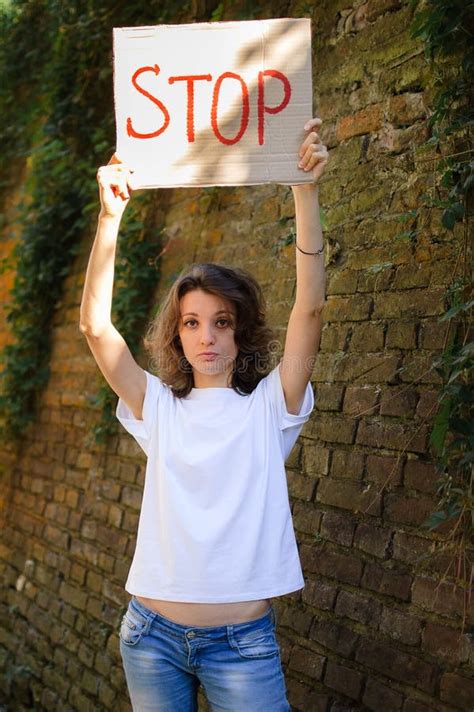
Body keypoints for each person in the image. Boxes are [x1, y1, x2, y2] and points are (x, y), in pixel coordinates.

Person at [80, 117, 328, 711]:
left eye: (221, 321)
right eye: (192, 322)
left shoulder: (273, 405)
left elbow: (311, 309)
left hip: (242, 646)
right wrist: (109, 218)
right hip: (150, 639)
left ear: (239, 328)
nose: (207, 336)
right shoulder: (157, 406)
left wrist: (304, 189)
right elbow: (94, 327)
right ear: (178, 334)